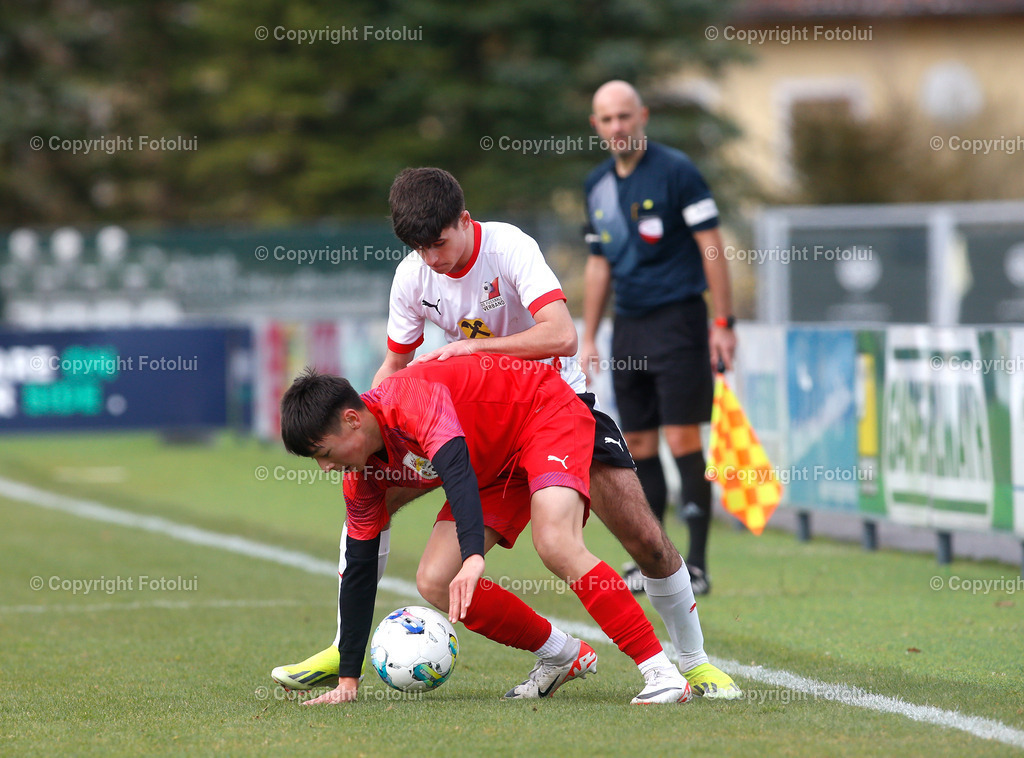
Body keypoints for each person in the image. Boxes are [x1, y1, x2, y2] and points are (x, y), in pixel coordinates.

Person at [271, 167, 740, 700]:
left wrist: (473, 349)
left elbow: (562, 336)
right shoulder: (412, 279)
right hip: (475, 432)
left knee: (637, 542)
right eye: (417, 248)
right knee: (403, 544)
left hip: (551, 406)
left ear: (464, 221)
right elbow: (394, 368)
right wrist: (383, 428)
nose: (430, 259)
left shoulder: (509, 247)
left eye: (438, 243)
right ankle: (356, 649)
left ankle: (689, 665)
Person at [281, 356, 694, 705]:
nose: (326, 467)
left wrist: (474, 556)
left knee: (555, 543)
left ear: (352, 419)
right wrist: (348, 679)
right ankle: (562, 654)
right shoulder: (360, 478)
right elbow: (359, 568)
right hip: (492, 465)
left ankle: (662, 673)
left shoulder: (410, 398)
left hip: (543, 412)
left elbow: (456, 469)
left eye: (325, 453)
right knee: (436, 580)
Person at [580, 80, 737, 596]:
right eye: (607, 119)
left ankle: (697, 564)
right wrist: (589, 335)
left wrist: (723, 322)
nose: (618, 127)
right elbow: (599, 264)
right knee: (639, 443)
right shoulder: (596, 185)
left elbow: (712, 247)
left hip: (679, 321)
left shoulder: (677, 171)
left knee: (682, 438)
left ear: (642, 115)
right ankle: (654, 560)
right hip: (628, 326)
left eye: (625, 116)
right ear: (596, 126)